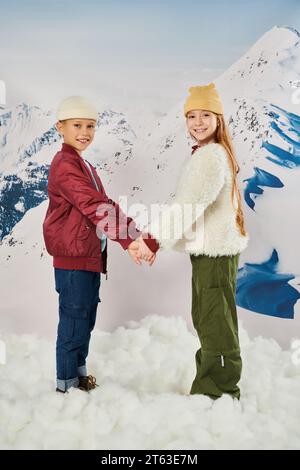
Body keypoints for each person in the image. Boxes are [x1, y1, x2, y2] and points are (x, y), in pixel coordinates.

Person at [139, 84, 249, 399]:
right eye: (191, 116)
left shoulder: (211, 156)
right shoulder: (212, 152)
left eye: (205, 115)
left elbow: (188, 205)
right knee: (208, 316)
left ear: (219, 118)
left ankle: (219, 392)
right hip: (212, 252)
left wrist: (152, 241)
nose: (197, 122)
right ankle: (213, 384)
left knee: (214, 320)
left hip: (215, 254)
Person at [43, 96, 159, 393]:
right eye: (77, 125)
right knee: (72, 322)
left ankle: (79, 376)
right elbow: (93, 205)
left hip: (89, 256)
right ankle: (66, 386)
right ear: (60, 127)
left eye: (91, 126)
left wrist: (138, 236)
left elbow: (105, 204)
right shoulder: (65, 165)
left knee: (85, 319)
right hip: (74, 260)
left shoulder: (84, 164)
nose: (85, 132)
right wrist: (130, 239)